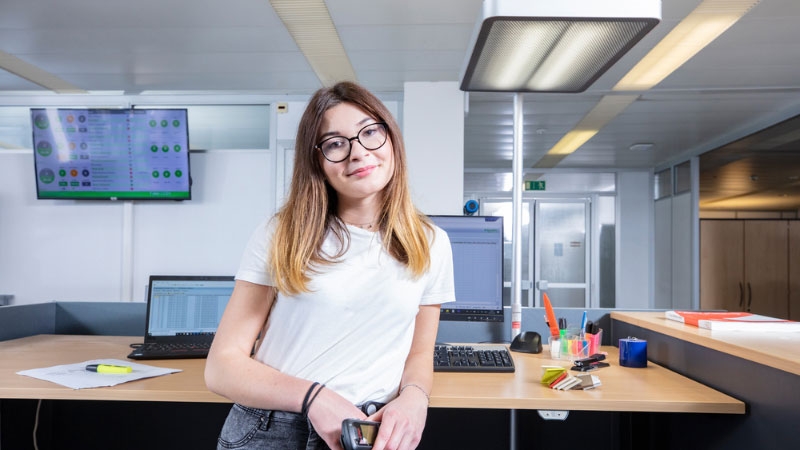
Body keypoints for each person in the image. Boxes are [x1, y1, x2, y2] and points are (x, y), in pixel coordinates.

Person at [205, 81, 455, 450]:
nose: (357, 153)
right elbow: (221, 366)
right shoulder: (282, 233)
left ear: (391, 140)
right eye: (336, 143)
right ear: (317, 161)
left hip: (372, 431)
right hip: (275, 430)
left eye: (370, 132)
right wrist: (314, 398)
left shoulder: (430, 242)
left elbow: (419, 354)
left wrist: (415, 398)